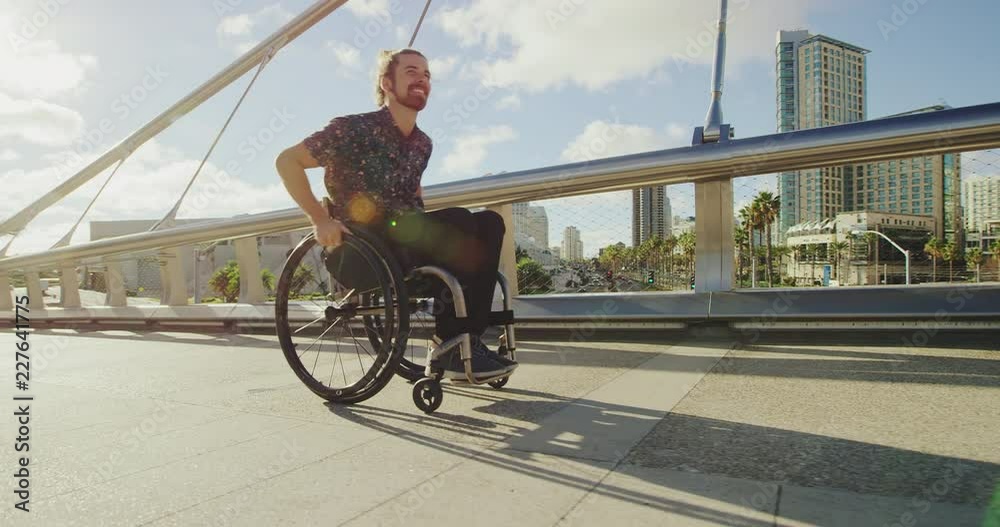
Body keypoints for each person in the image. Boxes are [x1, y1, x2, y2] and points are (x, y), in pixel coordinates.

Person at [275, 48, 516, 381]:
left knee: (490, 222)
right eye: (412, 72)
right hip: (361, 245)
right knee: (460, 219)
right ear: (387, 83)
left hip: (406, 237)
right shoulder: (352, 129)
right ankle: (452, 343)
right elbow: (287, 162)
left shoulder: (423, 144)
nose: (422, 80)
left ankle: (465, 342)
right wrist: (320, 219)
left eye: (428, 75)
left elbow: (414, 191)